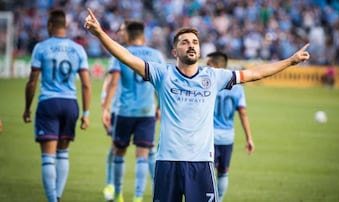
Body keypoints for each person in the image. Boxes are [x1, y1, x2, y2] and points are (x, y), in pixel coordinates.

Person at [84, 8, 310, 202]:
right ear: (175, 52)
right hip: (167, 162)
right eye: (184, 42)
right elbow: (126, 57)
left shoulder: (214, 77)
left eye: (194, 42)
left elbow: (254, 73)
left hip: (201, 164)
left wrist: (290, 61)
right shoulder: (163, 74)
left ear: (200, 50)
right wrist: (101, 34)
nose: (191, 45)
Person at [23, 9, 92, 202]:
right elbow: (86, 84)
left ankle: (53, 199)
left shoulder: (41, 48)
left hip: (48, 102)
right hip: (70, 103)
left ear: (50, 25)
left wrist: (27, 107)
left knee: (48, 157)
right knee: (63, 153)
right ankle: (58, 196)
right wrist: (86, 113)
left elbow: (32, 81)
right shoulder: (78, 49)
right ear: (66, 26)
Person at [101, 19, 165, 202]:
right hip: (146, 113)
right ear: (143, 37)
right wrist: (160, 107)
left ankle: (119, 195)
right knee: (142, 156)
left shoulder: (121, 53)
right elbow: (161, 85)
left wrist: (105, 108)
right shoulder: (156, 55)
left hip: (124, 111)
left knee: (118, 153)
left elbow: (113, 82)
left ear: (127, 35)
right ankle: (138, 198)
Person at [206, 51, 255, 202]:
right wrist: (249, 138)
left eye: (208, 65)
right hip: (227, 137)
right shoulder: (237, 87)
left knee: (208, 173)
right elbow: (243, 113)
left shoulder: (208, 83)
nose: (206, 68)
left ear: (217, 65)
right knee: (223, 172)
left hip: (209, 137)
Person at [101, 21, 128, 202]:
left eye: (122, 29)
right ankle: (111, 187)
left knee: (147, 153)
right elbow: (109, 80)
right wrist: (105, 104)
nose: (119, 32)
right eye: (118, 29)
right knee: (115, 150)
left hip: (132, 111)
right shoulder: (116, 52)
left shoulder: (128, 53)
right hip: (118, 110)